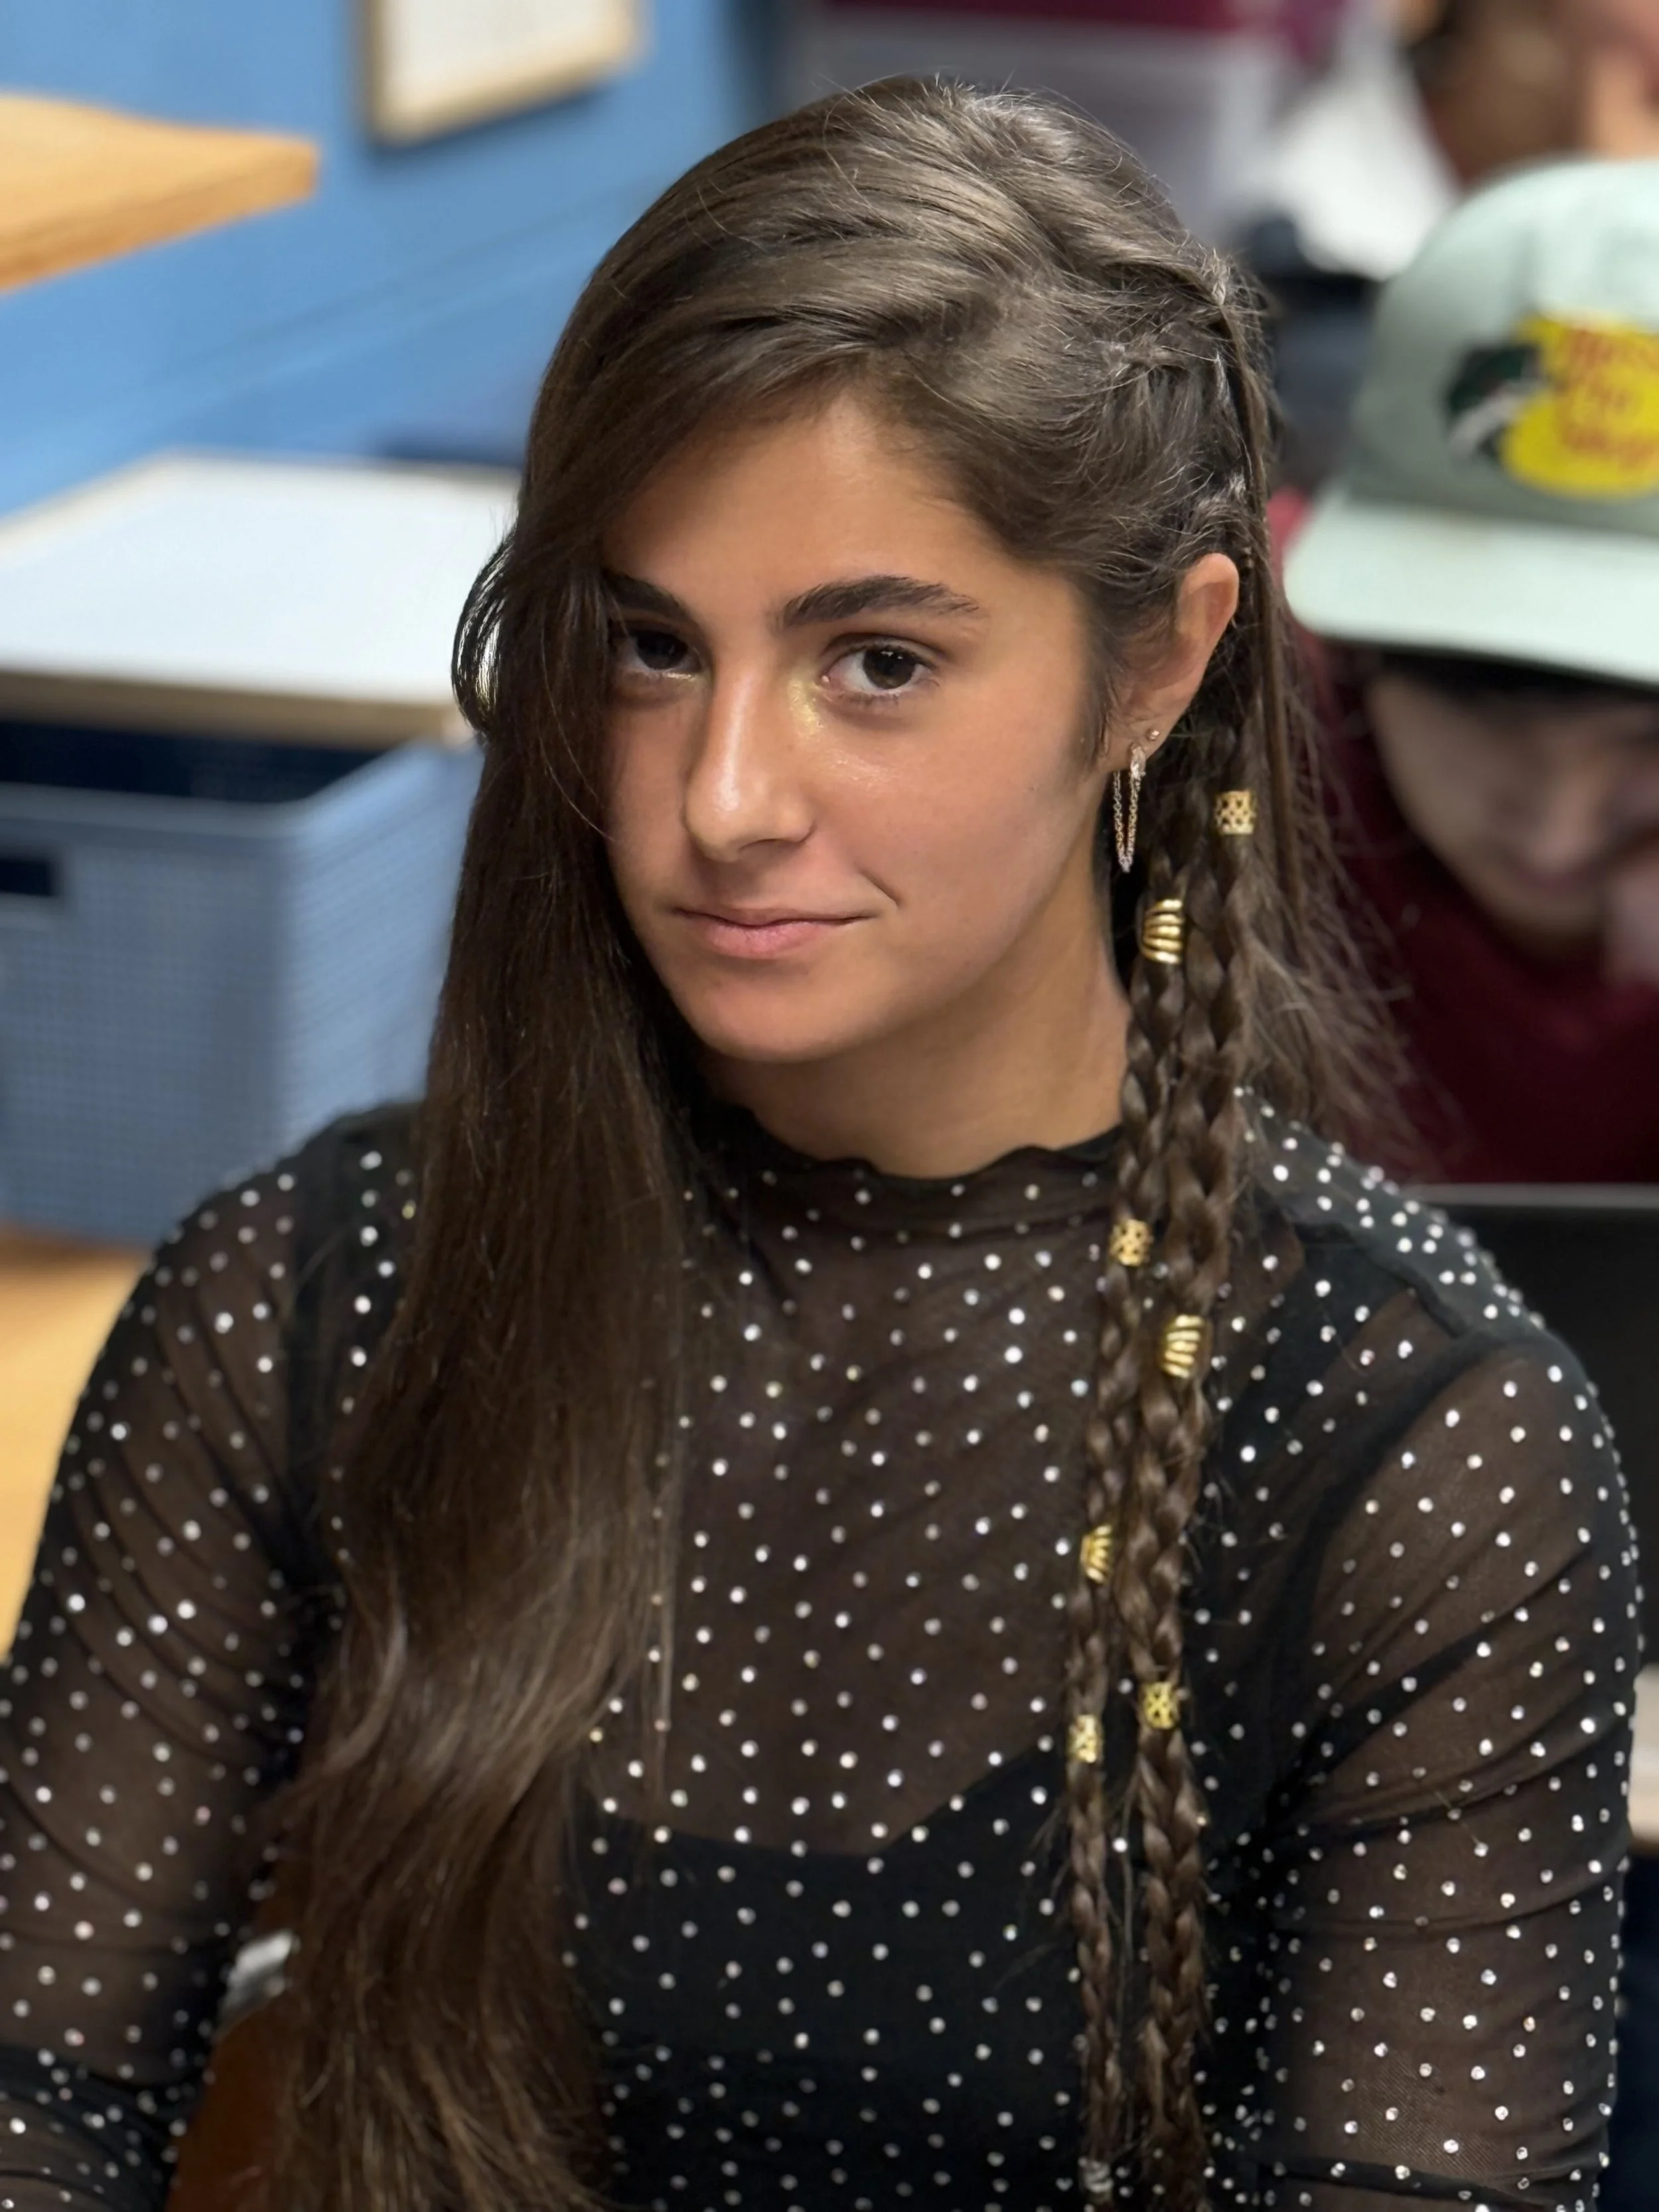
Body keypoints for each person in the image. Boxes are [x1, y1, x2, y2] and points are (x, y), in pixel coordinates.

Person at [0, 80, 1638, 2212]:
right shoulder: (313, 1298)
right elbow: (37, 2094)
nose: (722, 794)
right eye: (654, 646)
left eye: (875, 661)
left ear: (1156, 662)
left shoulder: (1416, 1447)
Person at [1283, 155, 1659, 1183]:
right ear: (1358, 654)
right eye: (1479, 713)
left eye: (1648, 738)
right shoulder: (1195, 727)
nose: (1555, 826)